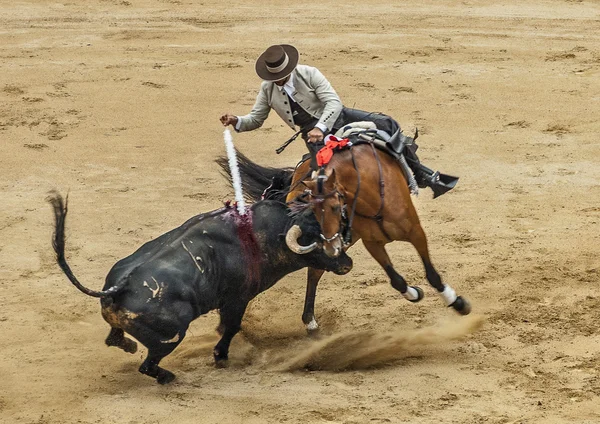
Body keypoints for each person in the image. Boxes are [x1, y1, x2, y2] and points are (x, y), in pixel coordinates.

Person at [220, 44, 456, 197]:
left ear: (289, 70)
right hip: (310, 134)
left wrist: (321, 128)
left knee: (387, 123)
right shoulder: (268, 89)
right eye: (275, 78)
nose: (278, 81)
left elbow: (333, 103)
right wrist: (237, 121)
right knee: (323, 176)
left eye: (281, 77)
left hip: (337, 118)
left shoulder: (309, 73)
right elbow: (256, 118)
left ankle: (421, 174)